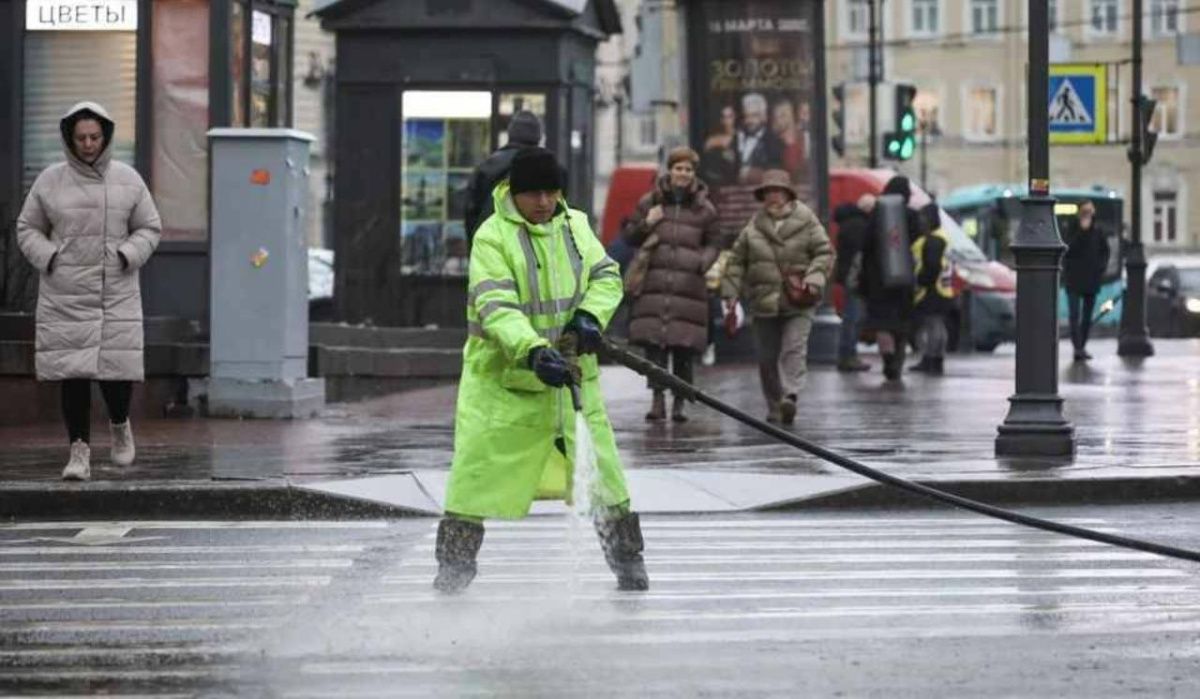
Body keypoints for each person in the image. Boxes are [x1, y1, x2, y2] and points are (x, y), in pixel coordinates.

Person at [435, 147, 649, 594]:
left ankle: (628, 563)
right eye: (535, 193)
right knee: (473, 479)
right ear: (515, 191)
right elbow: (496, 306)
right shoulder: (492, 237)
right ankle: (454, 568)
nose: (546, 202)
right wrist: (532, 350)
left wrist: (590, 316)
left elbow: (606, 276)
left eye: (552, 192)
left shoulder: (575, 227)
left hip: (569, 378)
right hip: (503, 384)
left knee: (606, 475)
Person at [16, 102, 162, 481]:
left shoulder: (128, 179)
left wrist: (127, 254)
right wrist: (50, 257)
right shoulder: (50, 180)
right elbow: (27, 227)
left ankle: (119, 425)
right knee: (73, 374)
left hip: (116, 289)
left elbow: (149, 227)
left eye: (94, 137)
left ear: (106, 136)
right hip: (66, 292)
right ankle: (78, 451)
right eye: (80, 137)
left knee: (117, 373)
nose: (88, 144)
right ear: (69, 138)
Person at [721, 170, 833, 424]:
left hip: (799, 299)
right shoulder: (753, 227)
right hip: (764, 301)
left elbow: (824, 252)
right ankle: (774, 404)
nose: (773, 196)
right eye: (768, 192)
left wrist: (814, 279)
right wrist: (730, 294)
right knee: (766, 357)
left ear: (788, 194)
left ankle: (790, 396)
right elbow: (737, 262)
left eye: (778, 191)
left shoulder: (807, 220)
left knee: (794, 348)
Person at [622, 147, 722, 423]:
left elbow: (716, 240)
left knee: (684, 348)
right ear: (670, 170)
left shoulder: (705, 208)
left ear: (694, 174)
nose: (683, 174)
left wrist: (702, 262)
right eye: (678, 168)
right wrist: (647, 223)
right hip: (655, 283)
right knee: (655, 347)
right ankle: (657, 401)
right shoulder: (650, 202)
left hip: (689, 287)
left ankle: (679, 402)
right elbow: (629, 236)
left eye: (688, 169)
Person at [859, 176, 926, 382]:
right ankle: (897, 361)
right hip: (904, 278)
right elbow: (918, 240)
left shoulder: (877, 213)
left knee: (882, 323)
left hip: (878, 279)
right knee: (902, 324)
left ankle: (887, 357)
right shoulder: (912, 215)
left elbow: (866, 243)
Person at [462, 110, 543, 242]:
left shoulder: (486, 167)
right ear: (538, 138)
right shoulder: (546, 169)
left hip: (489, 246)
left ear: (510, 135)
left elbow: (470, 212)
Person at [909, 202, 956, 376]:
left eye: (923, 217)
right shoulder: (942, 238)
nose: (921, 221)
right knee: (938, 325)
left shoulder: (933, 241)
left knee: (932, 325)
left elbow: (931, 266)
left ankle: (931, 359)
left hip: (933, 289)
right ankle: (935, 358)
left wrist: (921, 281)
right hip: (943, 288)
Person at [1061, 200, 1111, 361]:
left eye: (1090, 211)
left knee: (1087, 316)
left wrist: (1100, 269)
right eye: (1085, 211)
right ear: (1080, 212)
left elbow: (1105, 252)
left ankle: (1082, 345)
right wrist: (1082, 232)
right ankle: (1077, 347)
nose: (1088, 215)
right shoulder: (1072, 229)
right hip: (1073, 279)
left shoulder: (1098, 231)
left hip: (1091, 279)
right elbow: (1068, 249)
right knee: (1074, 315)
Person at [833, 194, 875, 372]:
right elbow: (861, 254)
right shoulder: (860, 226)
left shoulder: (849, 223)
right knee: (854, 316)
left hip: (848, 275)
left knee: (852, 315)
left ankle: (848, 354)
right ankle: (848, 355)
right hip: (855, 277)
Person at [734, 93, 785, 184]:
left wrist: (750, 174)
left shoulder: (775, 143)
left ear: (764, 116)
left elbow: (777, 174)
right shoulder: (736, 138)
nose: (749, 121)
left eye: (754, 115)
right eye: (746, 116)